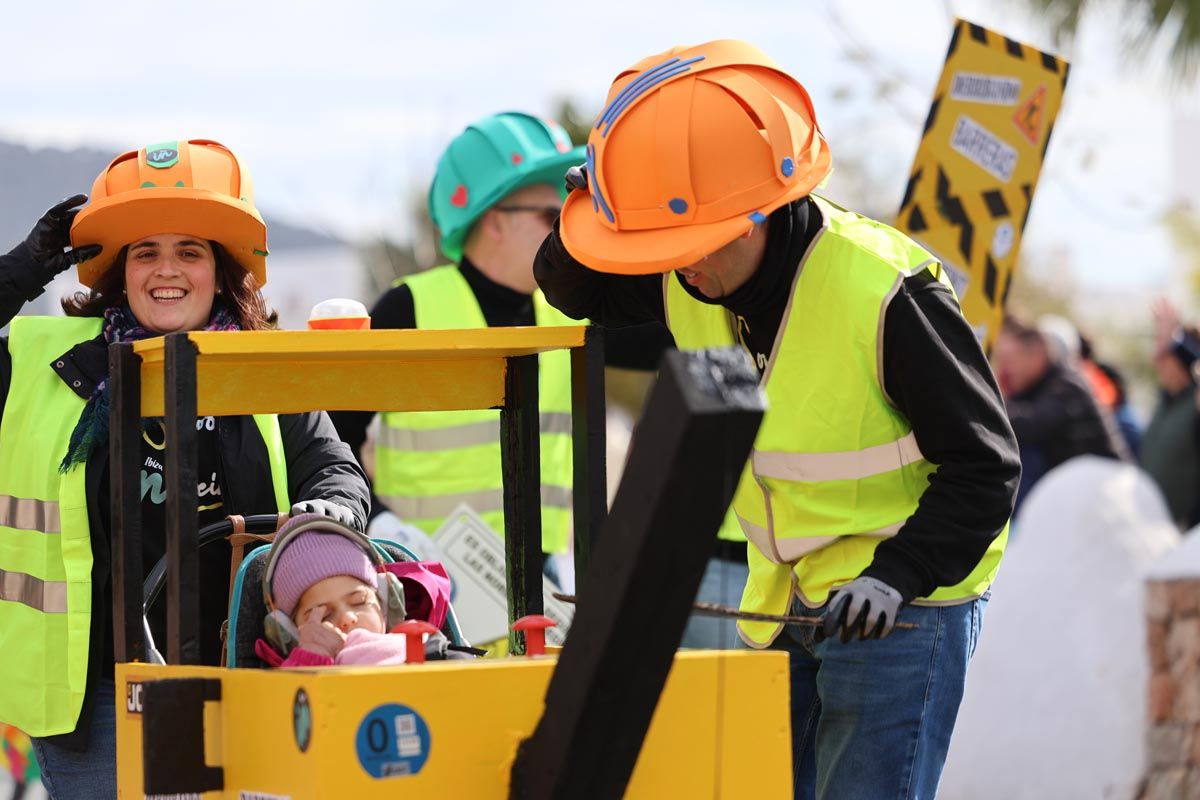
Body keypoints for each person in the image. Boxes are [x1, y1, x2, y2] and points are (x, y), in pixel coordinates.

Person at [533, 40, 1020, 799]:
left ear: (756, 213)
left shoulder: (887, 292)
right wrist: (588, 213)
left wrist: (898, 576)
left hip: (902, 611)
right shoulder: (690, 282)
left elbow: (987, 465)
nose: (682, 268)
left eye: (692, 246)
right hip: (785, 609)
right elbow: (575, 291)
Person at [0, 139, 370, 799]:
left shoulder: (268, 370)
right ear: (120, 272)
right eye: (145, 251)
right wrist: (21, 272)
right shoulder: (41, 363)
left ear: (222, 271)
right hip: (98, 701)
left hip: (249, 678)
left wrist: (331, 517)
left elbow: (333, 471)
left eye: (189, 251)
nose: (165, 271)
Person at [329, 113, 671, 578]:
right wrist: (379, 519)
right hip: (423, 582)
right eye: (552, 216)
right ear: (493, 221)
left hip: (541, 581)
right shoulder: (408, 308)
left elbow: (677, 337)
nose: (565, 230)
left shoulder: (573, 316)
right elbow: (332, 440)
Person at [993, 316, 1129, 511]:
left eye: (1014, 360)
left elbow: (1029, 425)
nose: (1009, 369)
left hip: (1107, 496)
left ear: (1036, 355)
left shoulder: (1067, 385)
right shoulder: (1040, 387)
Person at [1141, 298, 1200, 529]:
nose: (1159, 361)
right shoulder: (1166, 401)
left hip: (1184, 529)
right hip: (1152, 523)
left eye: (1168, 357)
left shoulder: (1194, 404)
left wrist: (1172, 337)